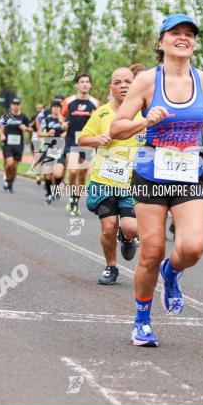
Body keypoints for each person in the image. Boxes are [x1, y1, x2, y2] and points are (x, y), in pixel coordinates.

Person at [111, 13, 203, 347]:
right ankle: (142, 319)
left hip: (189, 174)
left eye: (190, 34)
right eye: (175, 33)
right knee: (152, 249)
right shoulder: (146, 81)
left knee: (192, 248)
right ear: (161, 42)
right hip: (150, 172)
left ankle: (171, 274)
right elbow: (116, 128)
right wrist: (144, 120)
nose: (183, 38)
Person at [78, 67, 144, 285]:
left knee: (131, 227)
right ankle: (111, 267)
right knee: (108, 227)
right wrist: (98, 138)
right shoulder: (102, 113)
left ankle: (127, 239)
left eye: (128, 81)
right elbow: (83, 139)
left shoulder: (144, 113)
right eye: (118, 82)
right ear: (111, 88)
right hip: (104, 180)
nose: (124, 85)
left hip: (132, 183)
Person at [61, 75, 100, 217]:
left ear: (90, 85)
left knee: (83, 174)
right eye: (82, 82)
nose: (84, 84)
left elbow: (98, 121)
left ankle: (75, 200)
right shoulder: (69, 101)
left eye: (87, 82)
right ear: (77, 85)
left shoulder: (95, 103)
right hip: (72, 141)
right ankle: (72, 195)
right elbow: (62, 116)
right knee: (72, 171)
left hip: (87, 142)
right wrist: (63, 124)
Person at [0, 97, 31, 194]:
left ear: (19, 105)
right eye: (14, 104)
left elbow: (30, 129)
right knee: (9, 163)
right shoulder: (7, 116)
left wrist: (26, 128)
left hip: (18, 144)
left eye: (17, 104)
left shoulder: (23, 117)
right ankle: (7, 178)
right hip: (7, 143)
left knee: (15, 167)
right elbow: (0, 127)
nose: (16, 106)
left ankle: (10, 183)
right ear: (11, 105)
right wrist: (2, 134)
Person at [36, 100, 66, 203]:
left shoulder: (63, 120)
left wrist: (64, 133)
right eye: (54, 106)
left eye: (58, 107)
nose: (56, 108)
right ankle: (49, 194)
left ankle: (56, 189)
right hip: (49, 148)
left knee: (58, 174)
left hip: (60, 149)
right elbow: (39, 133)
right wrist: (48, 134)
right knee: (48, 174)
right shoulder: (46, 119)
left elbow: (68, 130)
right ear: (51, 108)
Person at [29, 102, 45, 185]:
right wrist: (33, 123)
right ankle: (38, 176)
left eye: (41, 108)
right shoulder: (34, 117)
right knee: (37, 157)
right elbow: (29, 127)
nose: (39, 110)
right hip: (35, 136)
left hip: (45, 137)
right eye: (38, 108)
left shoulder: (46, 117)